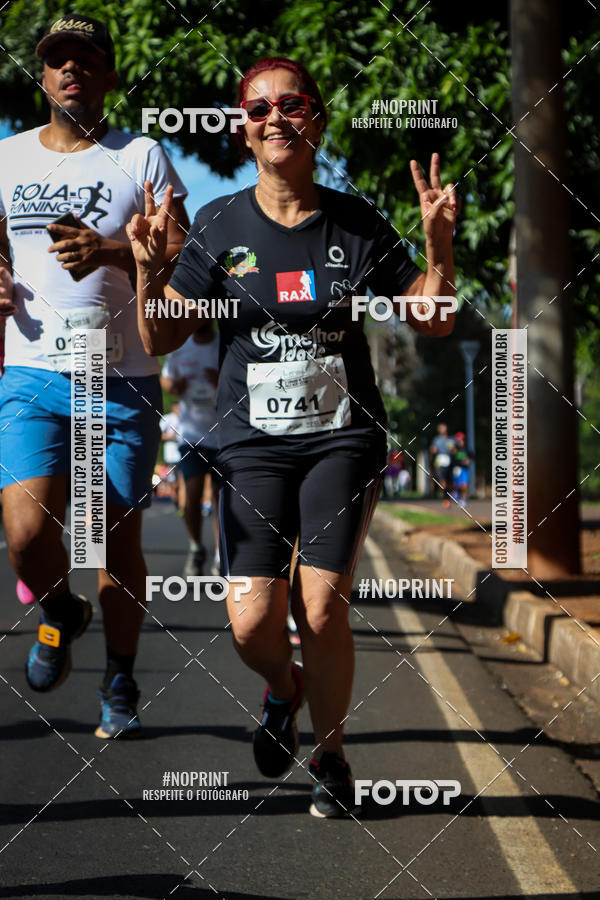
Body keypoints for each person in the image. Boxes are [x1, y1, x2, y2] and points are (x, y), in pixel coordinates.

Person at [128, 56, 457, 816]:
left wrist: (439, 250)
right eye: (258, 109)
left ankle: (331, 756)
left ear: (317, 120)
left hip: (343, 439)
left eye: (292, 104)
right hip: (250, 445)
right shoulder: (219, 224)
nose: (275, 117)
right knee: (251, 625)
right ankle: (284, 688)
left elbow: (433, 318)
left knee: (323, 607)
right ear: (243, 130)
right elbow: (160, 336)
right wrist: (149, 273)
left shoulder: (356, 221)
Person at [0, 13, 189, 738]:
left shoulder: (142, 156)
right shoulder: (8, 158)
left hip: (122, 375)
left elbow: (182, 258)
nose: (71, 69)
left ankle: (119, 676)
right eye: (58, 59)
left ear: (109, 74)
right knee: (26, 534)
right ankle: (61, 608)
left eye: (85, 58)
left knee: (113, 538)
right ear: (42, 75)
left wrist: (111, 253)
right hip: (32, 370)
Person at [160, 321, 220, 576]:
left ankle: (220, 554)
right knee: (192, 494)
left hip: (222, 433)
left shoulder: (223, 345)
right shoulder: (180, 347)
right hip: (192, 434)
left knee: (220, 499)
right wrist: (175, 387)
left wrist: (221, 380)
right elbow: (165, 379)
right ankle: (196, 547)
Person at [430, 422, 455, 507]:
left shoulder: (451, 439)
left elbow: (455, 451)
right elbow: (433, 449)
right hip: (440, 462)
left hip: (449, 462)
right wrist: (433, 450)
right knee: (443, 482)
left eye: (443, 427)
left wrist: (453, 450)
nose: (442, 429)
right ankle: (445, 498)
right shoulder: (436, 440)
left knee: (450, 484)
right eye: (440, 428)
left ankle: (448, 496)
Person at [451, 431, 470, 508]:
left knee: (464, 485)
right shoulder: (454, 449)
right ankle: (456, 495)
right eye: (458, 440)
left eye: (461, 440)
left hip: (464, 470)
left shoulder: (466, 449)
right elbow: (452, 460)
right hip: (456, 469)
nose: (460, 441)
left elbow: (471, 456)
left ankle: (463, 499)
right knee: (457, 486)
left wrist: (467, 460)